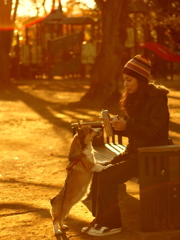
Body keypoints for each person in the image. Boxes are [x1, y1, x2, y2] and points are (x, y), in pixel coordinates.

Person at [81, 55, 170, 236]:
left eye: (129, 80)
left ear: (141, 79)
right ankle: (101, 220)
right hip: (136, 153)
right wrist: (117, 126)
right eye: (124, 80)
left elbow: (157, 133)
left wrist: (128, 126)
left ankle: (112, 224)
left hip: (151, 157)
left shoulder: (157, 100)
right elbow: (136, 130)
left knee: (107, 176)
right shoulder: (136, 98)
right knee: (99, 171)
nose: (126, 85)